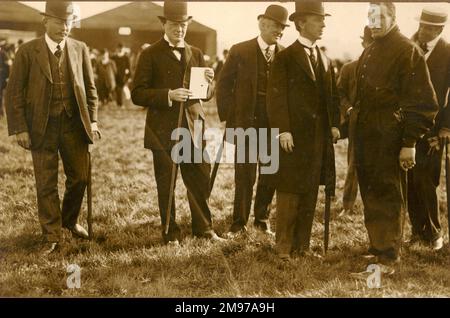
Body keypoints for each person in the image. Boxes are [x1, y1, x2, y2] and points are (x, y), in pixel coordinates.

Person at [4, 1, 101, 255]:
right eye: (59, 21)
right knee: (45, 182)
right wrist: (19, 128)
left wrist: (93, 121)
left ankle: (68, 221)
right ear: (45, 21)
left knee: (80, 178)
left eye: (68, 21)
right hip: (40, 127)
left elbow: (90, 89)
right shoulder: (27, 51)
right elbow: (13, 93)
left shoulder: (80, 49)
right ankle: (52, 235)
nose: (64, 27)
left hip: (74, 126)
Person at [354, 2, 438, 272]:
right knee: (371, 190)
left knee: (389, 193)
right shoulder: (371, 48)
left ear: (392, 18)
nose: (374, 22)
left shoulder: (406, 50)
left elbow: (424, 102)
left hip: (391, 135)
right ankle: (377, 246)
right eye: (370, 16)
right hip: (368, 134)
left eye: (379, 17)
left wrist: (409, 143)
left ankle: (389, 256)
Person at [131, 1, 224, 245]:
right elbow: (137, 93)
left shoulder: (196, 52)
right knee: (167, 184)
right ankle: (170, 233)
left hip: (194, 128)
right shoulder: (149, 53)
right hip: (163, 129)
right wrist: (167, 95)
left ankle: (203, 229)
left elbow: (204, 94)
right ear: (164, 24)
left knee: (199, 179)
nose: (179, 29)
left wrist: (209, 83)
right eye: (174, 25)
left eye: (183, 25)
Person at [267, 1, 340, 260]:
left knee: (310, 190)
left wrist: (334, 125)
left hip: (318, 139)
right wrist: (283, 131)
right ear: (301, 23)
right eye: (318, 19)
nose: (323, 24)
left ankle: (303, 246)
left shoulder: (324, 58)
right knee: (289, 190)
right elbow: (276, 98)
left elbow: (331, 97)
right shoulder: (285, 57)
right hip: (293, 138)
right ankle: (283, 248)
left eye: (323, 19)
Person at [216, 4, 289, 238]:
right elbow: (224, 85)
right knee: (244, 175)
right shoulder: (240, 51)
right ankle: (238, 223)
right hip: (245, 124)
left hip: (273, 127)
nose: (280, 31)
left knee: (270, 174)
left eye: (283, 28)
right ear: (262, 24)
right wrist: (230, 117)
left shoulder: (285, 54)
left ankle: (262, 220)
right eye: (276, 26)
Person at [407, 7, 450, 250]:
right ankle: (417, 231)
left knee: (427, 180)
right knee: (409, 179)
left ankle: (434, 233)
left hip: (434, 130)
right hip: (408, 127)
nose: (422, 30)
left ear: (439, 30)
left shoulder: (447, 52)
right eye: (421, 25)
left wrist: (446, 127)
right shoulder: (410, 48)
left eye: (428, 27)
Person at [337, 26, 374, 217]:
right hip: (357, 124)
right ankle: (348, 205)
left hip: (382, 125)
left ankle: (375, 208)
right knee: (354, 164)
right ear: (364, 43)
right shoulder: (349, 68)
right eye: (369, 43)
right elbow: (340, 92)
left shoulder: (388, 69)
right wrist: (349, 110)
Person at [111, 43, 131, 107]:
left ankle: (121, 103)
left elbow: (128, 66)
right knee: (117, 89)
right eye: (119, 48)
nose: (120, 49)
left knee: (122, 88)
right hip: (116, 75)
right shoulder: (114, 57)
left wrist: (128, 74)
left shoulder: (126, 57)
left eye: (121, 48)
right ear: (117, 49)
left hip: (123, 75)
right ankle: (119, 103)